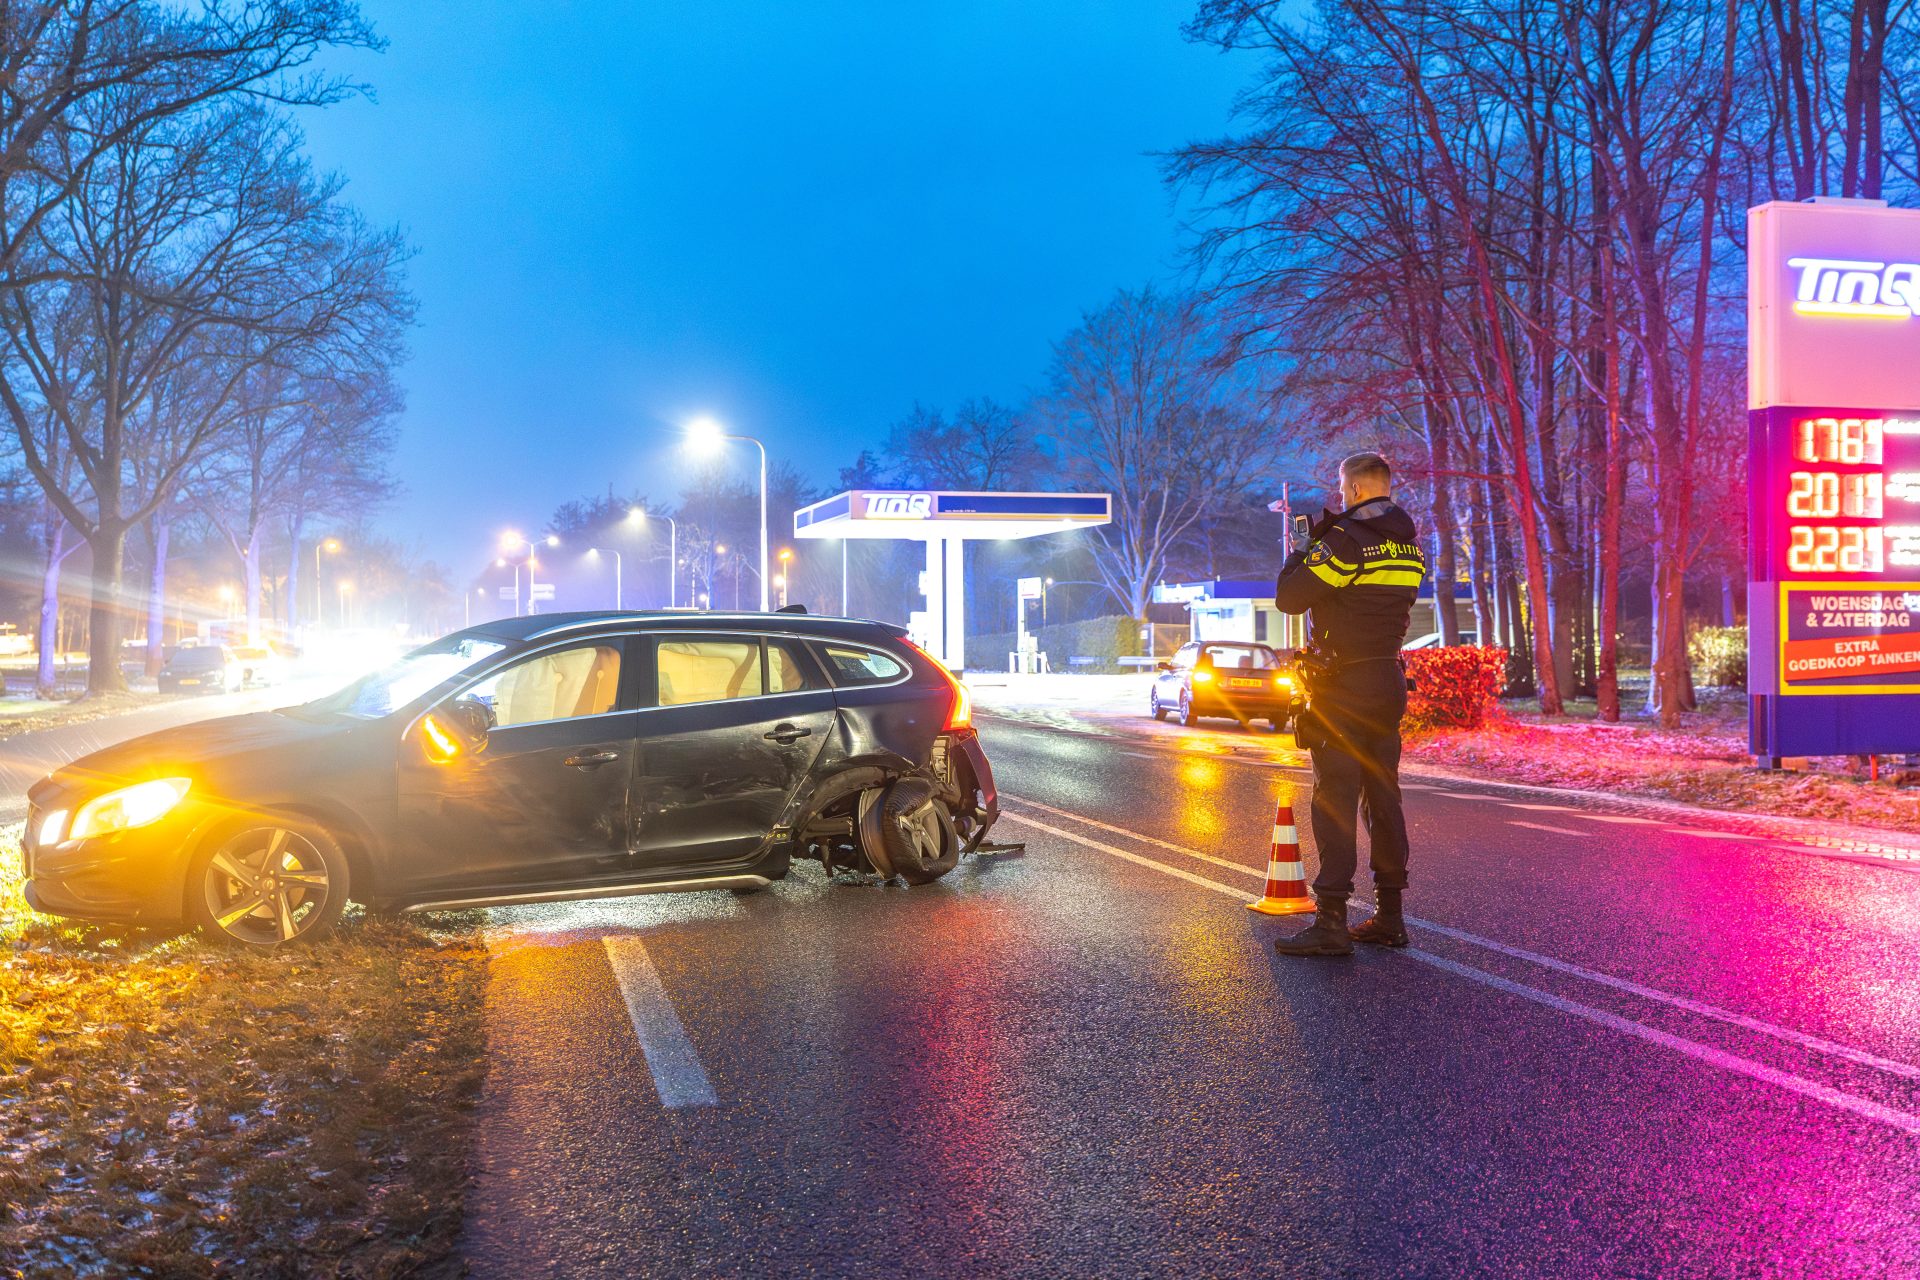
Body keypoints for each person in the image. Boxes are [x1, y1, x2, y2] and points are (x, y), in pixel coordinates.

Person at [1270, 452, 1428, 957]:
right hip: (1388, 680)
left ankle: (1332, 921)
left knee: (1334, 798)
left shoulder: (1342, 544)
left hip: (1341, 686)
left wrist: (1299, 551)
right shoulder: (1410, 549)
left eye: (1342, 490)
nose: (1339, 498)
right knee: (1383, 796)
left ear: (1356, 491)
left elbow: (1290, 599)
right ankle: (1390, 916)